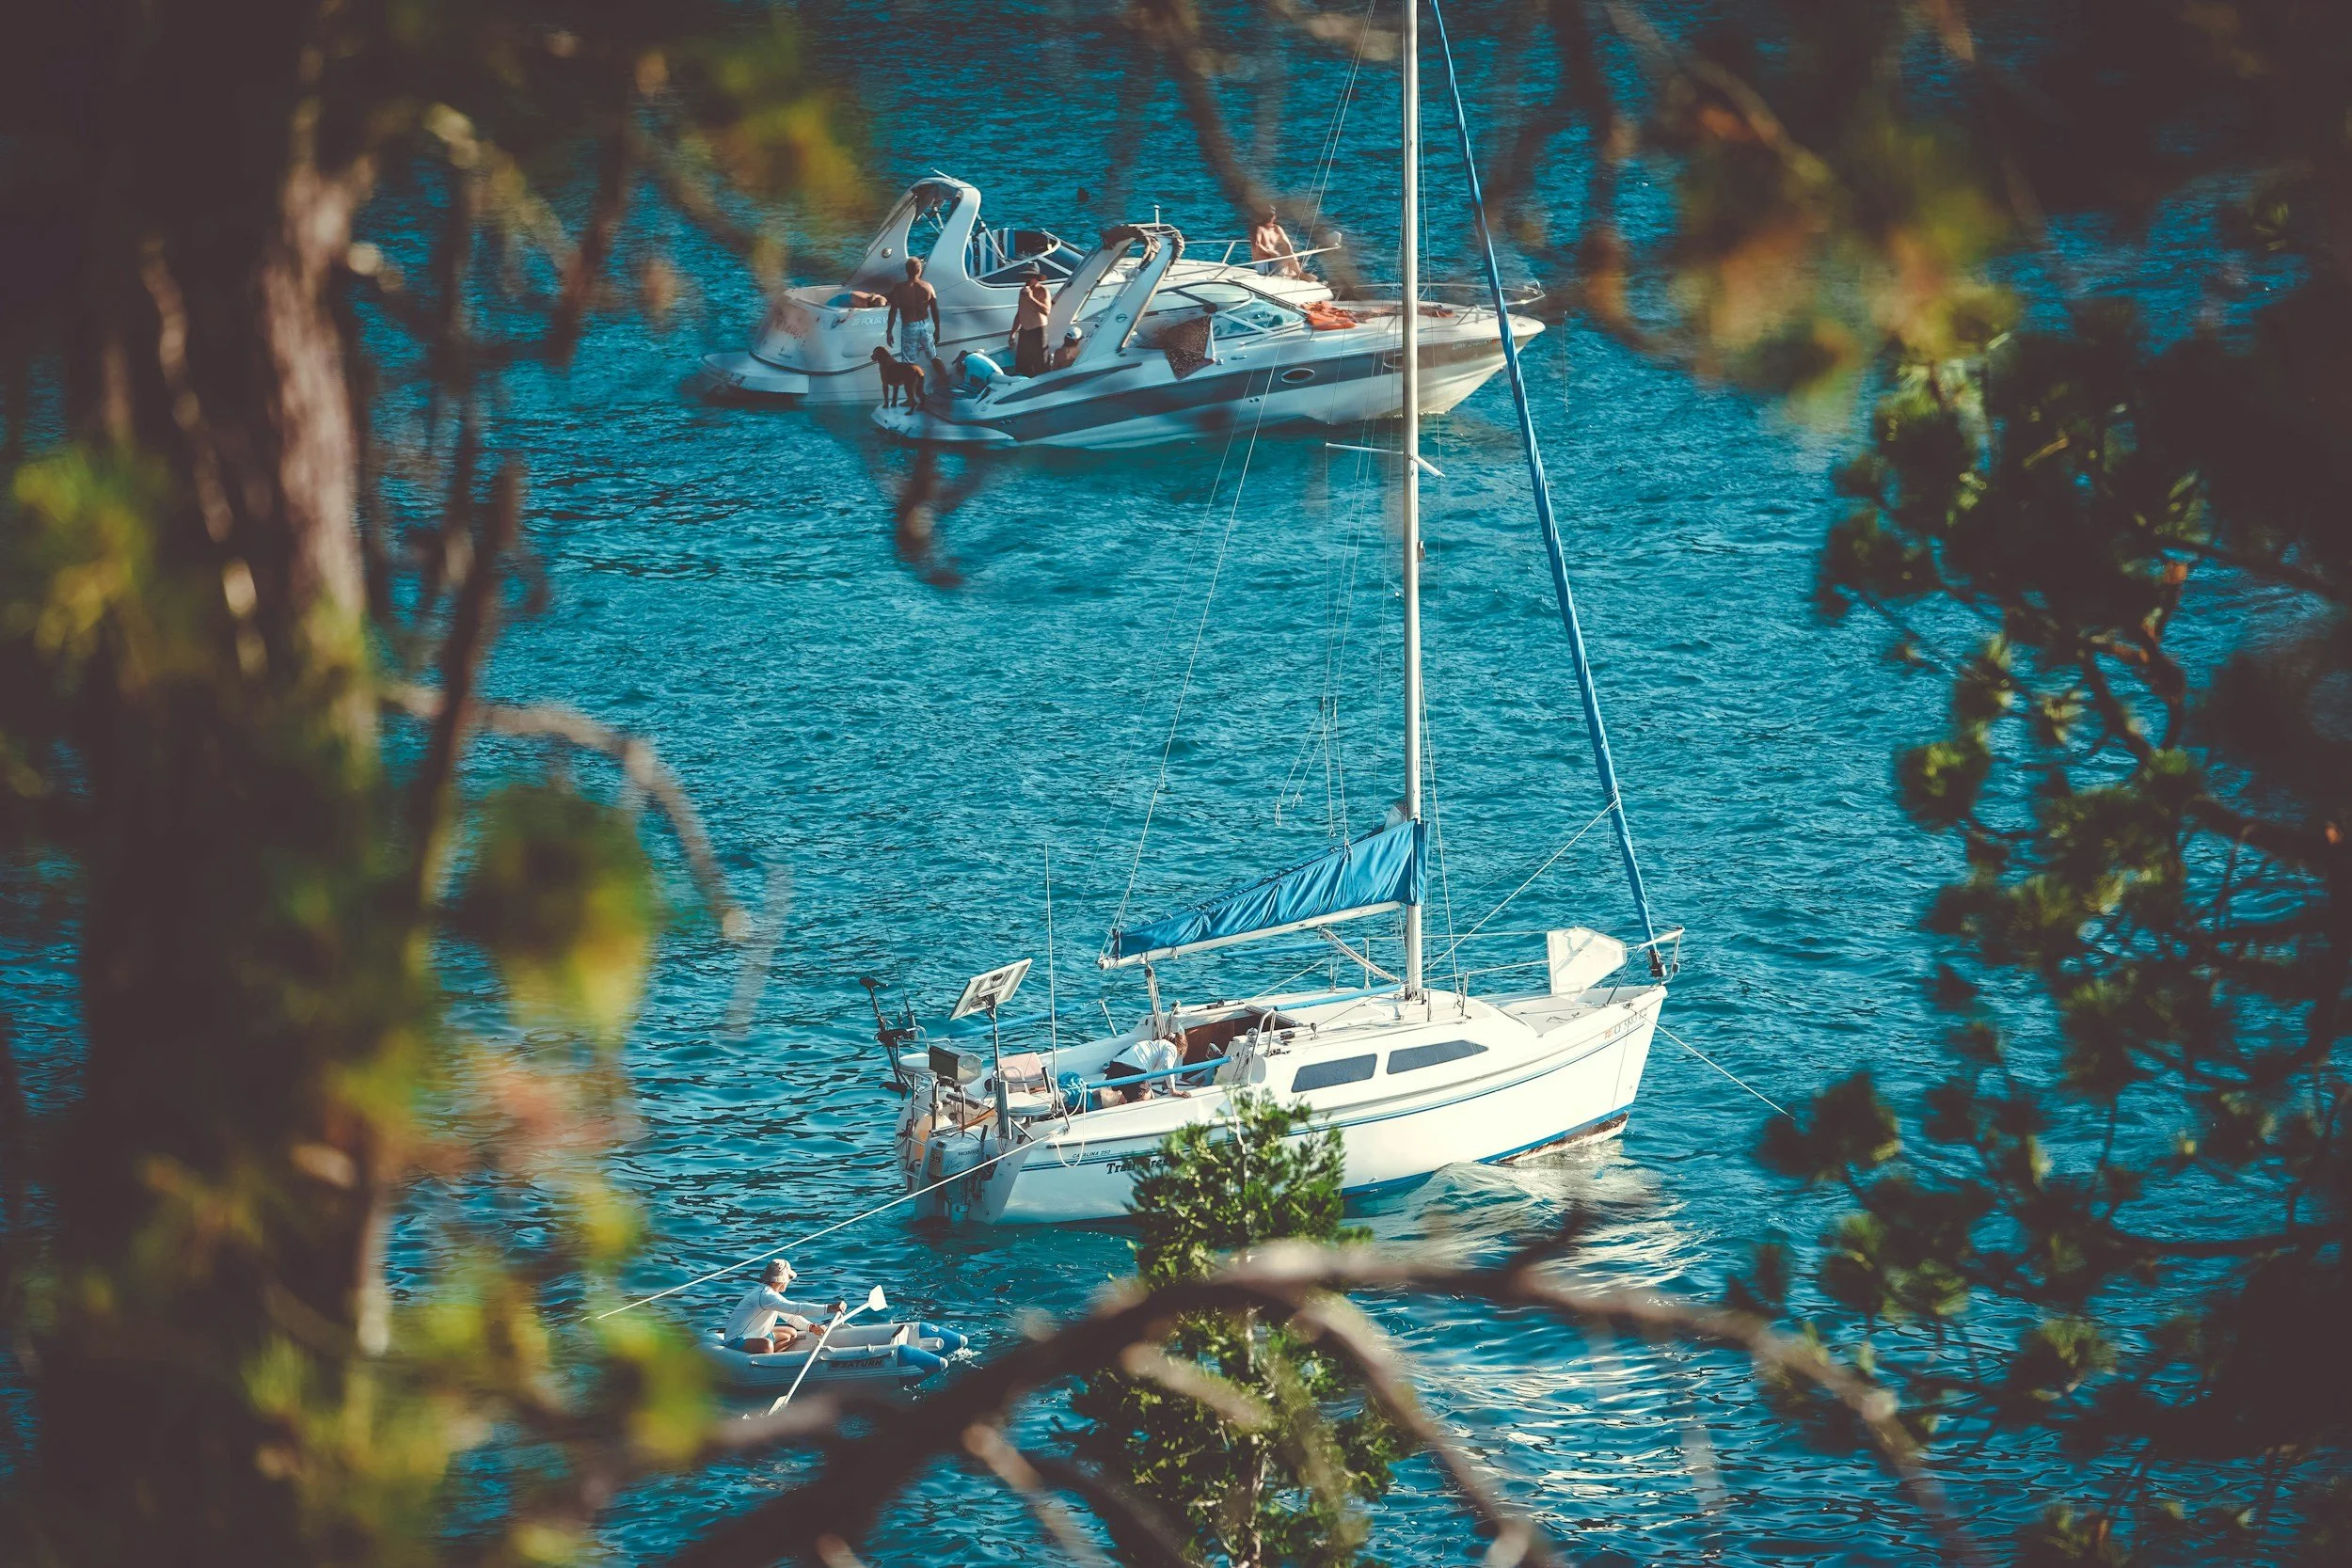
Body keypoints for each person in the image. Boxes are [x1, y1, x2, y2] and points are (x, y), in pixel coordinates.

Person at [722, 1259, 843, 1353]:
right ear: (782, 1279)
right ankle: (764, 1363)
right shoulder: (766, 1296)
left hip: (756, 1334)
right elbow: (796, 1308)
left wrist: (810, 1327)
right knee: (766, 1345)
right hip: (736, 1341)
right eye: (788, 1278)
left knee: (791, 1334)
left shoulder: (772, 1295)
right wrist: (829, 1308)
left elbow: (791, 1317)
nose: (789, 1282)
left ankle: (772, 1359)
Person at [884, 258, 944, 389]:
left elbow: (893, 311)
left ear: (907, 271)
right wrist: (937, 329)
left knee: (908, 365)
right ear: (920, 270)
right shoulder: (928, 287)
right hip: (925, 325)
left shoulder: (899, 288)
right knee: (933, 357)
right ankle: (945, 382)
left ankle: (912, 398)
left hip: (909, 327)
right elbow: (934, 310)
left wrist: (889, 331)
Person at [1009, 264, 1053, 375]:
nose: (1028, 280)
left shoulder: (1043, 291)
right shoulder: (1022, 291)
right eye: (1026, 277)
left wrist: (1031, 298)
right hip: (1025, 331)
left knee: (1041, 364)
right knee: (1022, 364)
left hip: (1038, 331)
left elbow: (1046, 311)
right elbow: (1019, 313)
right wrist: (1013, 333)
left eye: (1031, 277)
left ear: (1036, 278)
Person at [1249, 206, 1310, 280]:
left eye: (1270, 215)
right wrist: (1272, 253)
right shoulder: (1258, 228)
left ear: (1274, 217)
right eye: (1266, 215)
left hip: (1274, 263)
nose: (1268, 217)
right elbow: (1257, 245)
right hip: (1263, 265)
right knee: (1291, 262)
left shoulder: (1277, 229)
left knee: (1291, 260)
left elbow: (1287, 245)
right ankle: (1301, 275)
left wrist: (1288, 253)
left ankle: (1299, 275)